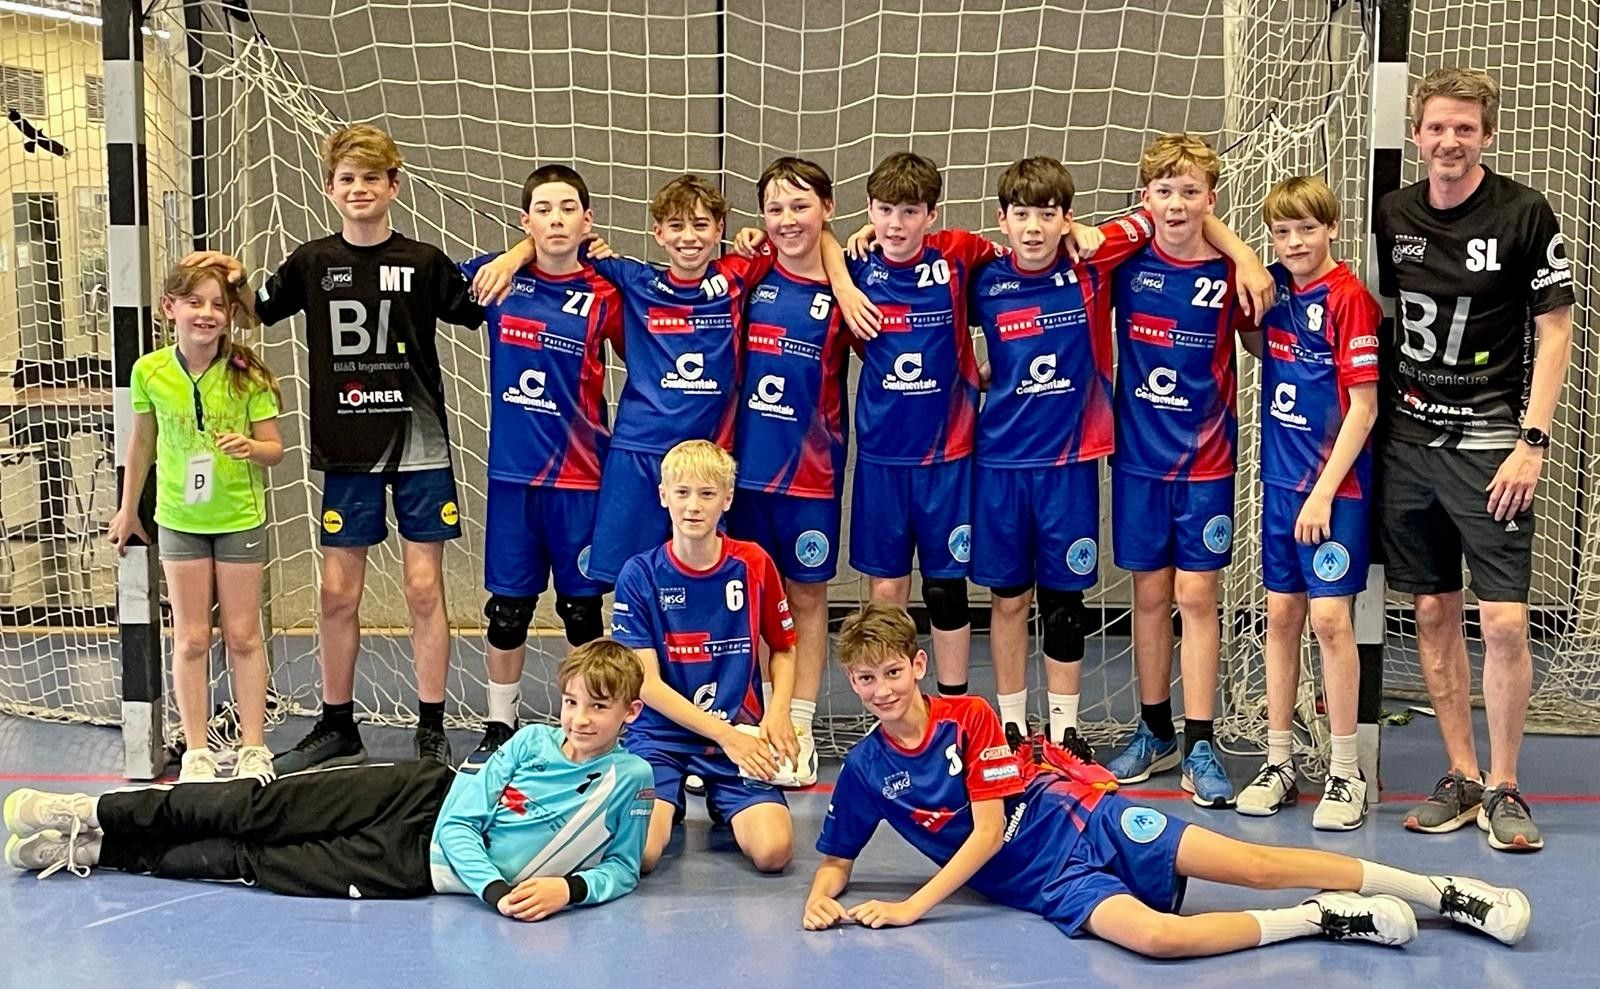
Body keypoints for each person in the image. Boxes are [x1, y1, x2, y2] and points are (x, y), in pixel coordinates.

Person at [800, 602, 1532, 957]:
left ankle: (1443, 892)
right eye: (864, 679)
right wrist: (819, 897)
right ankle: (1321, 917)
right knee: (1157, 941)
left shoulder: (971, 717)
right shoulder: (865, 769)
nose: (880, 690)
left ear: (918, 665)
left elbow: (989, 831)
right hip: (1048, 884)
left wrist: (911, 908)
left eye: (892, 672)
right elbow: (837, 856)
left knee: (1253, 864)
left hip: (1080, 820)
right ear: (851, 682)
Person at [185, 124, 486, 772]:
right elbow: (258, 311)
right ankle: (337, 722)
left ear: (393, 186)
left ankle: (431, 724)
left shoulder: (426, 261)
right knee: (336, 594)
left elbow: (480, 306)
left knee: (423, 589)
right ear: (329, 188)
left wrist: (519, 255)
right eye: (347, 178)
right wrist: (230, 279)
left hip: (420, 447)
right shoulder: (313, 261)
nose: (359, 189)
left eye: (372, 178)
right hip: (347, 449)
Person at [5, 640, 655, 923]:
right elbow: (461, 819)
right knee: (254, 806)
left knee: (253, 861)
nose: (580, 718)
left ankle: (96, 850)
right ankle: (93, 810)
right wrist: (495, 888)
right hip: (418, 793)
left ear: (630, 712)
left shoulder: (632, 780)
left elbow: (623, 867)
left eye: (598, 707)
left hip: (410, 868)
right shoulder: (532, 741)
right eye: (571, 702)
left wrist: (569, 889)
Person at [967, 155, 1264, 762]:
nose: (1033, 228)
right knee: (1020, 599)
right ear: (1002, 219)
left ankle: (1112, 736)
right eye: (1021, 215)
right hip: (1029, 462)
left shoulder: (1103, 262)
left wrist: (1248, 256)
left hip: (1112, 461)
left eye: (1048, 215)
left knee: (1157, 599)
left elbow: (1171, 216)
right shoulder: (991, 274)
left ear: (1066, 216)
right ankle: (1022, 729)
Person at [473, 174, 867, 588]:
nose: (689, 238)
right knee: (628, 583)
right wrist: (511, 258)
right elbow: (558, 240)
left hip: (708, 459)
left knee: (706, 584)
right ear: (658, 233)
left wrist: (842, 284)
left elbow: (814, 231)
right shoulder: (629, 278)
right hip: (637, 455)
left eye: (701, 225)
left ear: (719, 230)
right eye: (676, 226)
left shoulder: (737, 274)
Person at [1373, 67, 1574, 852]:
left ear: (1487, 134)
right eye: (1437, 126)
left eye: (1465, 127)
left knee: (1506, 620)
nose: (1449, 140)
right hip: (1410, 443)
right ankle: (1460, 774)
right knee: (1430, 610)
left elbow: (1555, 328)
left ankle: (1505, 784)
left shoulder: (1524, 213)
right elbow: (1380, 316)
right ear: (1417, 134)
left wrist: (1533, 441)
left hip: (1494, 445)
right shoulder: (1393, 213)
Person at [1102, 133, 1271, 808]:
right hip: (1138, 459)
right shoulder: (1127, 263)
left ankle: (1201, 740)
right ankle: (1155, 731)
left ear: (1212, 198)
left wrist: (1247, 257)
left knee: (1197, 598)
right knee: (1148, 596)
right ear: (1145, 198)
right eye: (1164, 191)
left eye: (1190, 192)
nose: (1176, 204)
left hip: (1206, 461)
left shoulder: (1231, 274)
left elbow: (1261, 345)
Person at [455, 165, 623, 765]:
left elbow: (652, 362)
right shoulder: (498, 279)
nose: (556, 219)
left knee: (582, 613)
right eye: (543, 210)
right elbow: (435, 286)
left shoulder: (606, 291)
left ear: (587, 219)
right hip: (513, 478)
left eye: (568, 208)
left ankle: (590, 722)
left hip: (582, 478)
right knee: (508, 612)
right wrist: (515, 254)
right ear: (525, 221)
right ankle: (501, 724)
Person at [1236, 176, 1382, 830]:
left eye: (1307, 228)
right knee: (1280, 615)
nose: (1295, 242)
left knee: (1329, 619)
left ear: (1332, 229)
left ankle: (1346, 771)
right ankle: (1278, 761)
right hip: (1279, 483)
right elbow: (1254, 342)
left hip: (1334, 491)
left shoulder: (1349, 298)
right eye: (1282, 231)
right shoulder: (1273, 287)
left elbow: (1364, 408)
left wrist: (1323, 492)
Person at [106, 263, 284, 782]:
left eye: (218, 305)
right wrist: (128, 508)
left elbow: (274, 449)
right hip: (179, 520)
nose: (207, 314)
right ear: (170, 308)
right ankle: (198, 751)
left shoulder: (249, 372)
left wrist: (251, 447)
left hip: (238, 517)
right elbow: (142, 442)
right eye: (195, 302)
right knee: (190, 638)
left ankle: (254, 747)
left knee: (243, 635)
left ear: (230, 315)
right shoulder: (149, 372)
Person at [608, 440, 799, 874]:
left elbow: (784, 646)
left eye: (707, 494)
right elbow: (646, 684)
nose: (693, 506)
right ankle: (667, 798)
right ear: (664, 496)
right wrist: (726, 736)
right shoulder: (639, 574)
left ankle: (722, 798)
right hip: (661, 737)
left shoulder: (754, 563)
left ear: (727, 499)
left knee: (773, 854)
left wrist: (779, 713)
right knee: (642, 856)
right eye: (682, 492)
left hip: (738, 729)